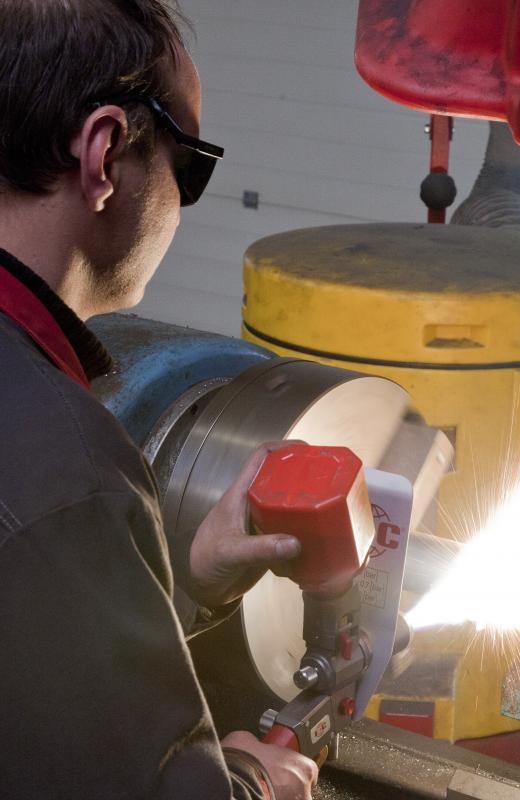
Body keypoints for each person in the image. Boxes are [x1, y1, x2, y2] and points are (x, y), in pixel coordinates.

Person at [0, 1, 318, 798]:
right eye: (193, 167)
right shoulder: (66, 468)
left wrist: (177, 580)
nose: (185, 198)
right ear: (105, 154)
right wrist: (251, 778)